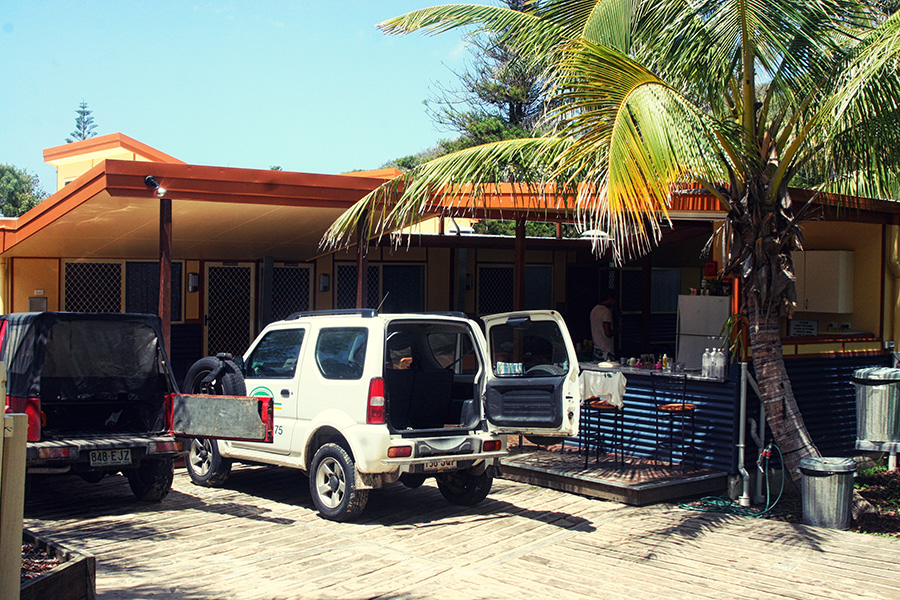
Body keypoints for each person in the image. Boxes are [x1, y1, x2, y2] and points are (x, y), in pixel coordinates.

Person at [590, 291, 617, 362]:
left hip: (597, 349)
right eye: (614, 300)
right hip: (606, 350)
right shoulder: (606, 312)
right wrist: (617, 330)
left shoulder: (594, 310)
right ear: (610, 299)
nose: (614, 302)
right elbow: (607, 332)